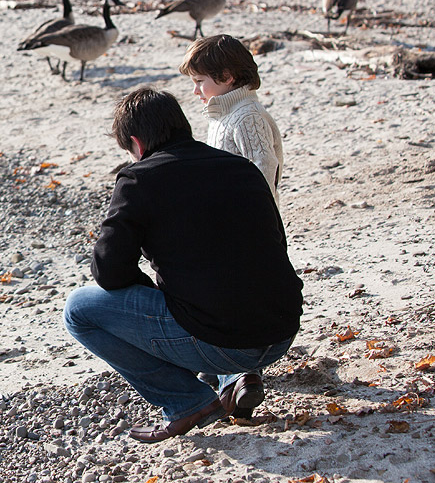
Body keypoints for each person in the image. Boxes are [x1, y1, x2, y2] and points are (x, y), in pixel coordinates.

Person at [63, 87, 302, 443]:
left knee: (79, 310)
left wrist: (152, 290)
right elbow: (270, 250)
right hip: (281, 331)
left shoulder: (139, 179)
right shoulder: (242, 168)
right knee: (219, 285)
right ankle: (236, 377)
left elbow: (108, 272)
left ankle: (185, 401)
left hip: (225, 341)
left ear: (136, 144)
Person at [179, 34, 283, 201]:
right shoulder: (222, 114)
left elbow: (264, 167)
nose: (195, 90)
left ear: (227, 77)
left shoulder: (248, 117)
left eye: (199, 81)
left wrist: (259, 213)